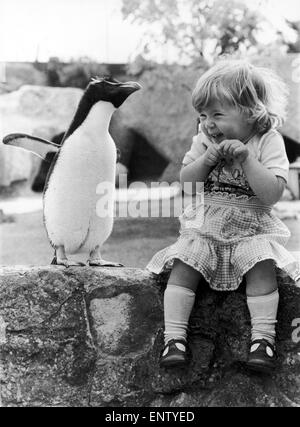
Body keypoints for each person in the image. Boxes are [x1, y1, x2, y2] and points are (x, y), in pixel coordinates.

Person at [146, 59, 300, 373]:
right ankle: (174, 339)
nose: (208, 123)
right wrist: (205, 160)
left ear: (251, 111)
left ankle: (263, 340)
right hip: (207, 225)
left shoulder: (268, 140)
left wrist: (246, 160)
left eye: (217, 114)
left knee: (261, 267)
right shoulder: (204, 141)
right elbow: (187, 184)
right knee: (184, 264)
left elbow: (272, 193)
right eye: (202, 115)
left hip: (252, 228)